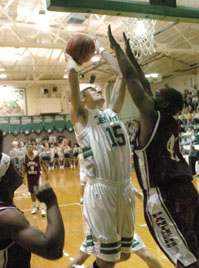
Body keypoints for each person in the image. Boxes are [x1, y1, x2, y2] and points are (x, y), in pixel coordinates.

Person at [108, 25, 199, 268]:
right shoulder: (170, 121)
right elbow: (143, 83)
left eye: (159, 95)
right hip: (188, 192)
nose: (152, 95)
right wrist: (131, 54)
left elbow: (132, 80)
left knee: (186, 259)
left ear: (165, 103)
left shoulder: (151, 117)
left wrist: (117, 50)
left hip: (165, 196)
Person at [65, 38, 135, 268]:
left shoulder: (112, 112)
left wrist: (103, 49)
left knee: (123, 255)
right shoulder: (82, 119)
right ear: (83, 101)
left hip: (123, 188)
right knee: (107, 259)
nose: (96, 89)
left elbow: (122, 75)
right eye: (91, 90)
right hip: (101, 192)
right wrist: (70, 58)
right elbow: (74, 78)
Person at [67, 186, 162, 268]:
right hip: (102, 228)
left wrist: (152, 203)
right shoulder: (97, 186)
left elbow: (139, 194)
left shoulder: (122, 181)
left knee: (145, 256)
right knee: (81, 258)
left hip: (122, 228)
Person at [0, 152, 65, 267]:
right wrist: (51, 202)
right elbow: (52, 249)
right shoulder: (7, 216)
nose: (18, 168)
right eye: (13, 167)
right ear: (5, 179)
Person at [22, 144, 48, 217]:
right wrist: (23, 178)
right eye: (28, 147)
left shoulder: (38, 157)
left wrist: (47, 174)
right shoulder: (24, 158)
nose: (29, 148)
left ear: (33, 148)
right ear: (26, 149)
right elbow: (23, 169)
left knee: (39, 192)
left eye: (30, 147)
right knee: (32, 193)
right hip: (29, 177)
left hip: (37, 176)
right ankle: (35, 206)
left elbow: (43, 165)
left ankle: (43, 208)